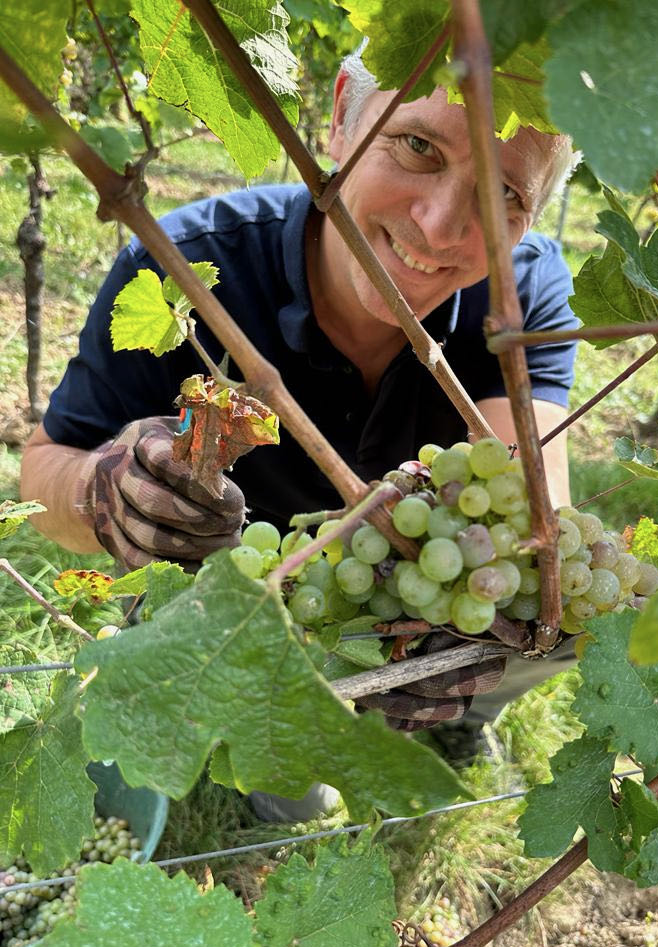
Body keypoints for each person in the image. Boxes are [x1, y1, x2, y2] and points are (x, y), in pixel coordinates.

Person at [20, 55, 580, 805]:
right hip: (251, 605)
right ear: (343, 115)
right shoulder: (185, 271)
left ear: (534, 215)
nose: (441, 228)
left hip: (400, 600)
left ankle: (464, 709)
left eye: (503, 193)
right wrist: (103, 493)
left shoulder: (523, 297)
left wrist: (478, 628)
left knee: (557, 624)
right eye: (418, 146)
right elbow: (43, 467)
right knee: (295, 796)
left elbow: (538, 514)